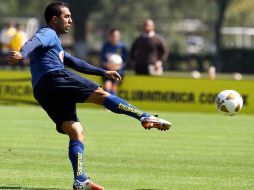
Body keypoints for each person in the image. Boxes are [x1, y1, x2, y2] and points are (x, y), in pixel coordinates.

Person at [8, 2, 171, 190]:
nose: (70, 20)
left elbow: (75, 62)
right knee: (102, 95)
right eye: (66, 16)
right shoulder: (49, 33)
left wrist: (103, 71)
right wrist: (22, 53)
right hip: (54, 78)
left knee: (76, 131)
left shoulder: (54, 44)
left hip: (42, 90)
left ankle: (80, 180)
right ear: (54, 19)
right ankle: (143, 116)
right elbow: (33, 41)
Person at [100, 28, 127, 95]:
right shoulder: (105, 46)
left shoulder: (122, 47)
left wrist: (117, 67)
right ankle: (108, 102)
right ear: (110, 36)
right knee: (107, 86)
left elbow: (124, 61)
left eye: (117, 36)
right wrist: (108, 65)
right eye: (113, 36)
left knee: (114, 87)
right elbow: (102, 60)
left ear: (119, 36)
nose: (115, 38)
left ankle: (112, 103)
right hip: (107, 71)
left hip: (119, 72)